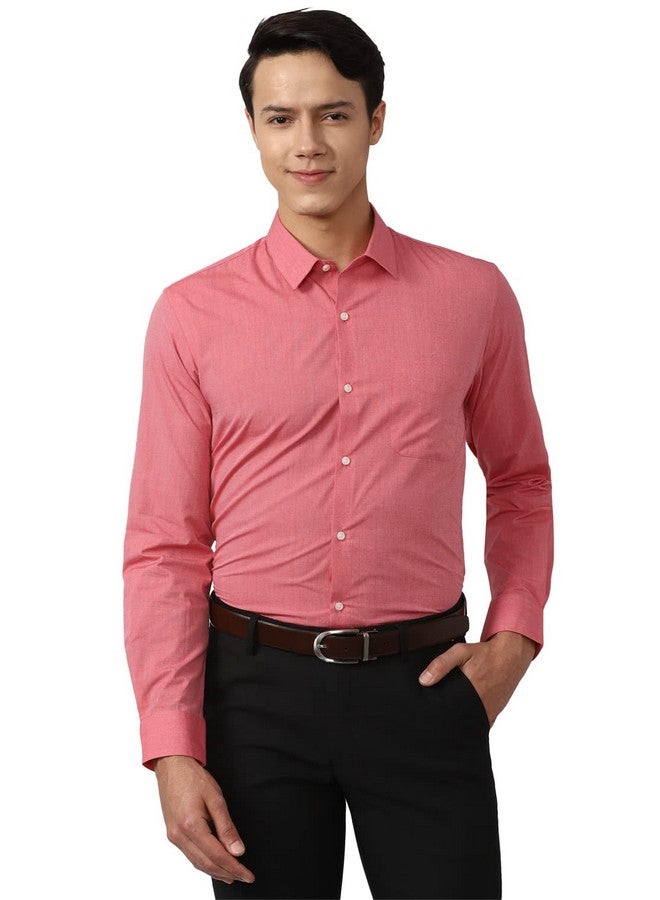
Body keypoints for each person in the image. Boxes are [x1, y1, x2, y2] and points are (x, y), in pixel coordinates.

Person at [123, 9, 553, 899]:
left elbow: (520, 480)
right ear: (252, 129)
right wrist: (171, 745)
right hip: (252, 700)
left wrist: (514, 637)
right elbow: (165, 545)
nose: (308, 144)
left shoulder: (473, 295)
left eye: (334, 114)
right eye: (281, 118)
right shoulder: (190, 315)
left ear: (377, 120)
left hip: (425, 688)